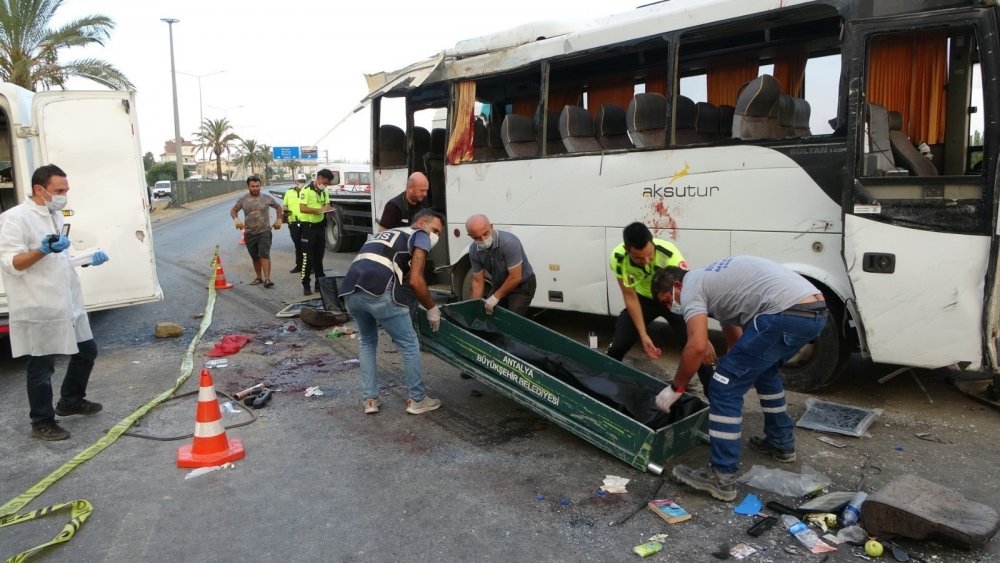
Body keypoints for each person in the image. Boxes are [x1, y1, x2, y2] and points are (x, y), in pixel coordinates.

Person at [651, 256, 828, 501]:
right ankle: (781, 443)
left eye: (669, 299)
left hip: (786, 312)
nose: (672, 306)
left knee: (723, 387)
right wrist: (732, 365)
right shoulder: (715, 284)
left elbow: (696, 346)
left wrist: (676, 388)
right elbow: (735, 340)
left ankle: (721, 477)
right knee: (763, 372)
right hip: (815, 312)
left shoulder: (691, 286)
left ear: (676, 285)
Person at [0, 164, 110, 441]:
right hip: (38, 303)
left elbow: (62, 258)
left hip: (66, 301)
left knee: (86, 351)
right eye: (59, 190)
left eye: (66, 190)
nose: (64, 195)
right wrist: (42, 249)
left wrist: (87, 258)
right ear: (40, 189)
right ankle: (42, 421)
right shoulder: (16, 218)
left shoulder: (55, 214)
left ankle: (70, 400)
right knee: (41, 366)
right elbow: (11, 262)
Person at [340, 208, 445, 416]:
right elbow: (415, 280)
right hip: (378, 290)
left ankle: (370, 399)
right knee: (409, 343)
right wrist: (432, 308)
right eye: (436, 230)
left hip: (350, 290)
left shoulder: (389, 233)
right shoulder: (420, 235)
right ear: (421, 223)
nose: (436, 237)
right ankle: (417, 399)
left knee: (368, 341)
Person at [607, 222, 714, 390]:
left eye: (650, 255)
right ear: (628, 251)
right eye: (639, 258)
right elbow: (630, 296)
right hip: (642, 299)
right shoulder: (618, 258)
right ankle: (604, 385)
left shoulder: (669, 254)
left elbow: (687, 292)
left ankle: (714, 396)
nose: (647, 261)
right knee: (618, 345)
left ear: (653, 243)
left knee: (697, 347)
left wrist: (701, 336)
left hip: (671, 299)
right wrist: (643, 335)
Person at [465, 214, 536, 315]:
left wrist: (495, 297)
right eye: (477, 237)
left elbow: (515, 277)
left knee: (512, 318)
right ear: (470, 236)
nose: (483, 239)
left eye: (485, 234)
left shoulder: (509, 242)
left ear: (491, 226)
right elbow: (477, 281)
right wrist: (474, 306)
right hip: (500, 284)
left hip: (522, 285)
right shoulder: (473, 250)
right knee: (488, 314)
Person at [231, 175, 282, 288]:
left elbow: (278, 207)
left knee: (264, 254)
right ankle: (259, 277)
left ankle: (267, 279)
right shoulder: (243, 199)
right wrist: (236, 219)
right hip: (249, 233)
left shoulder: (266, 198)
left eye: (257, 186)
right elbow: (234, 210)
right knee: (255, 257)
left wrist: (279, 219)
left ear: (260, 186)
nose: (255, 188)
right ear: (248, 186)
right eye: (252, 186)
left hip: (264, 231)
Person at [298, 169, 333, 295]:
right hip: (308, 228)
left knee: (319, 258)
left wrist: (329, 210)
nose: (326, 185)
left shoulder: (325, 191)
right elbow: (302, 208)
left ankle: (319, 284)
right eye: (325, 182)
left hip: (319, 228)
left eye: (328, 183)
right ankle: (306, 284)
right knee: (307, 258)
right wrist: (319, 210)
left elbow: (327, 205)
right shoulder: (306, 191)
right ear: (318, 178)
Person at [283, 178, 305, 273]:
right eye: (300, 181)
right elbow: (285, 205)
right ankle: (299, 266)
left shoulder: (307, 192)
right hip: (293, 222)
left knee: (307, 246)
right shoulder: (289, 192)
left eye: (303, 181)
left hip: (305, 222)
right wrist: (286, 212)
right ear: (295, 182)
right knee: (298, 245)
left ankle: (309, 266)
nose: (302, 183)